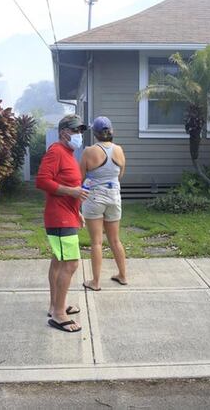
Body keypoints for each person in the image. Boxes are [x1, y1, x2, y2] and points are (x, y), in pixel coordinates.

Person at [35, 114, 89, 333]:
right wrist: (72, 191)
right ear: (64, 133)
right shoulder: (56, 151)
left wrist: (78, 212)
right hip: (59, 217)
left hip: (68, 215)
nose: (79, 135)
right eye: (75, 131)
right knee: (71, 263)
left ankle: (55, 305)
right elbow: (42, 181)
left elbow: (68, 184)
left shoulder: (69, 153)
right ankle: (58, 314)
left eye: (80, 131)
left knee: (59, 260)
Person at [80, 116, 128, 291]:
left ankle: (96, 282)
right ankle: (122, 276)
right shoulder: (119, 150)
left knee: (96, 242)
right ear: (111, 131)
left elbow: (81, 176)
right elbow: (120, 174)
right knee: (115, 240)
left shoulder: (89, 151)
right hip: (114, 196)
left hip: (94, 198)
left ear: (95, 134)